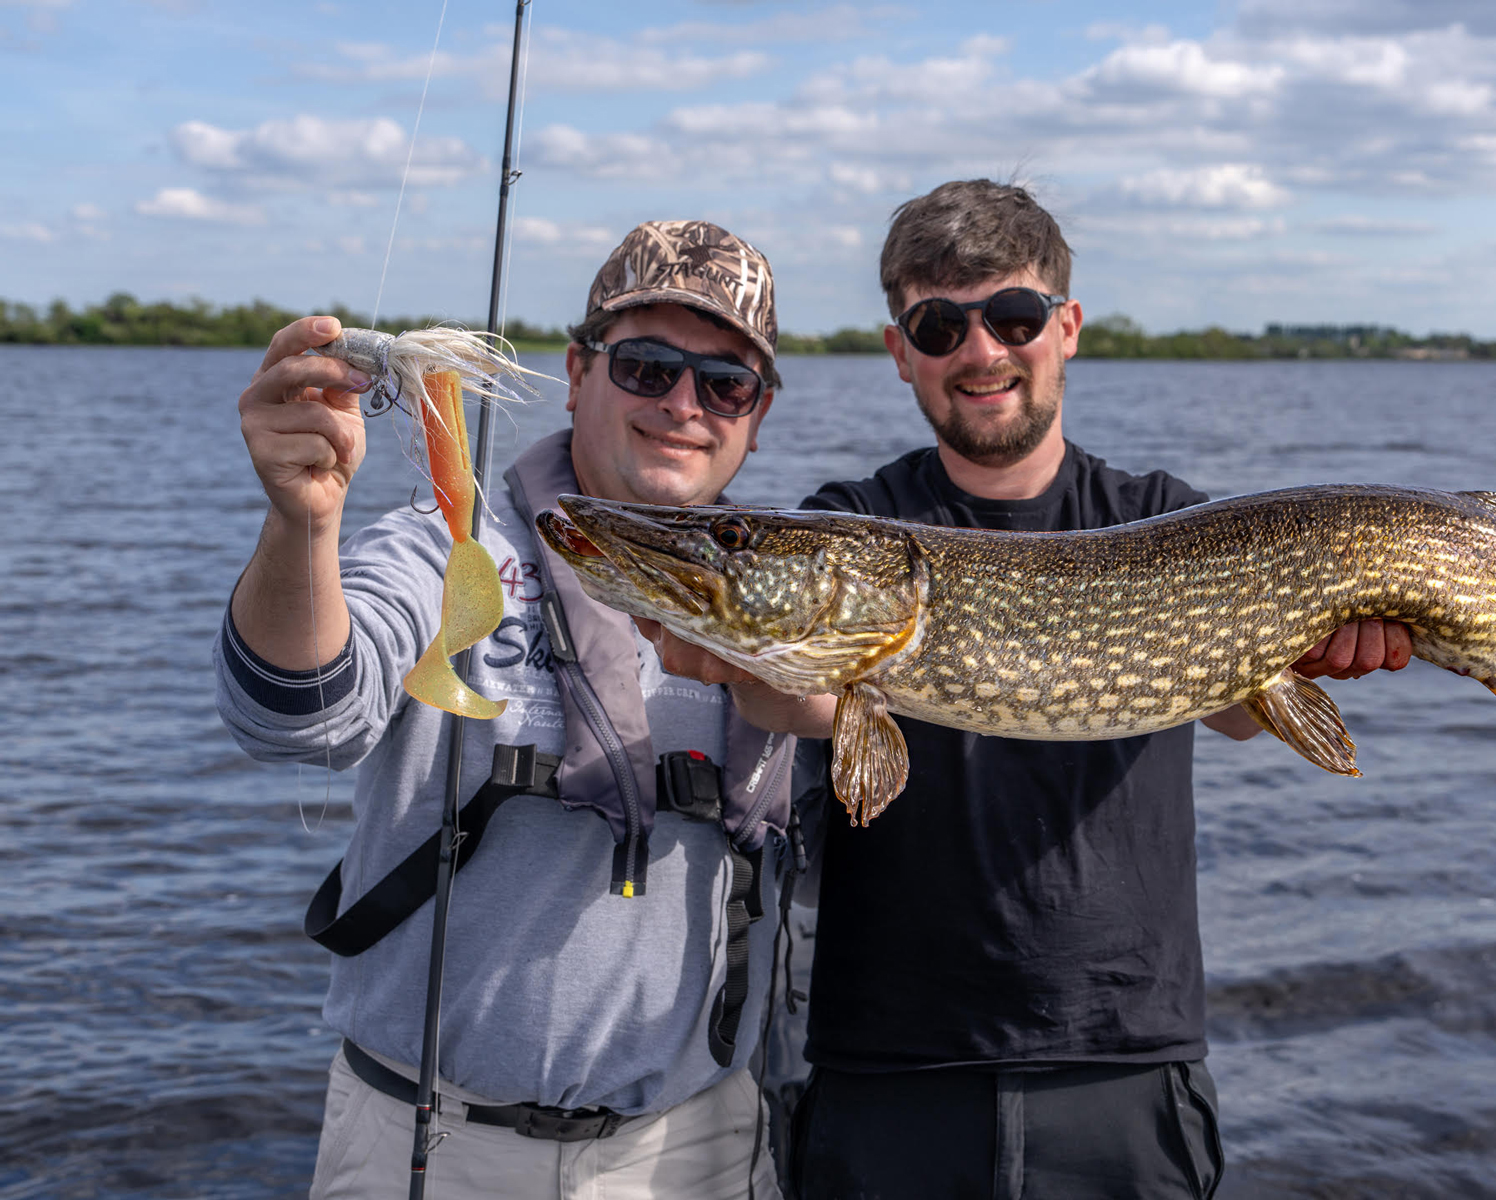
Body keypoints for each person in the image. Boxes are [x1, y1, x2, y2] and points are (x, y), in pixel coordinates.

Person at [777, 180, 1412, 1197]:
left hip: (1126, 1067)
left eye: (1013, 317)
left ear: (1066, 328)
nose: (981, 353)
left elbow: (1240, 711)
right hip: (889, 1074)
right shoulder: (853, 524)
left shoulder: (1166, 516)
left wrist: (1315, 653)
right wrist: (736, 654)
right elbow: (795, 703)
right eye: (939, 326)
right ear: (901, 352)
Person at [215, 220, 809, 1199]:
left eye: (725, 383)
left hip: (695, 1148)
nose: (684, 406)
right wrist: (301, 527)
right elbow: (294, 715)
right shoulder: (447, 551)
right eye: (647, 367)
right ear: (577, 374)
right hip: (435, 1143)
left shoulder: (789, 596)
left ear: (757, 413)